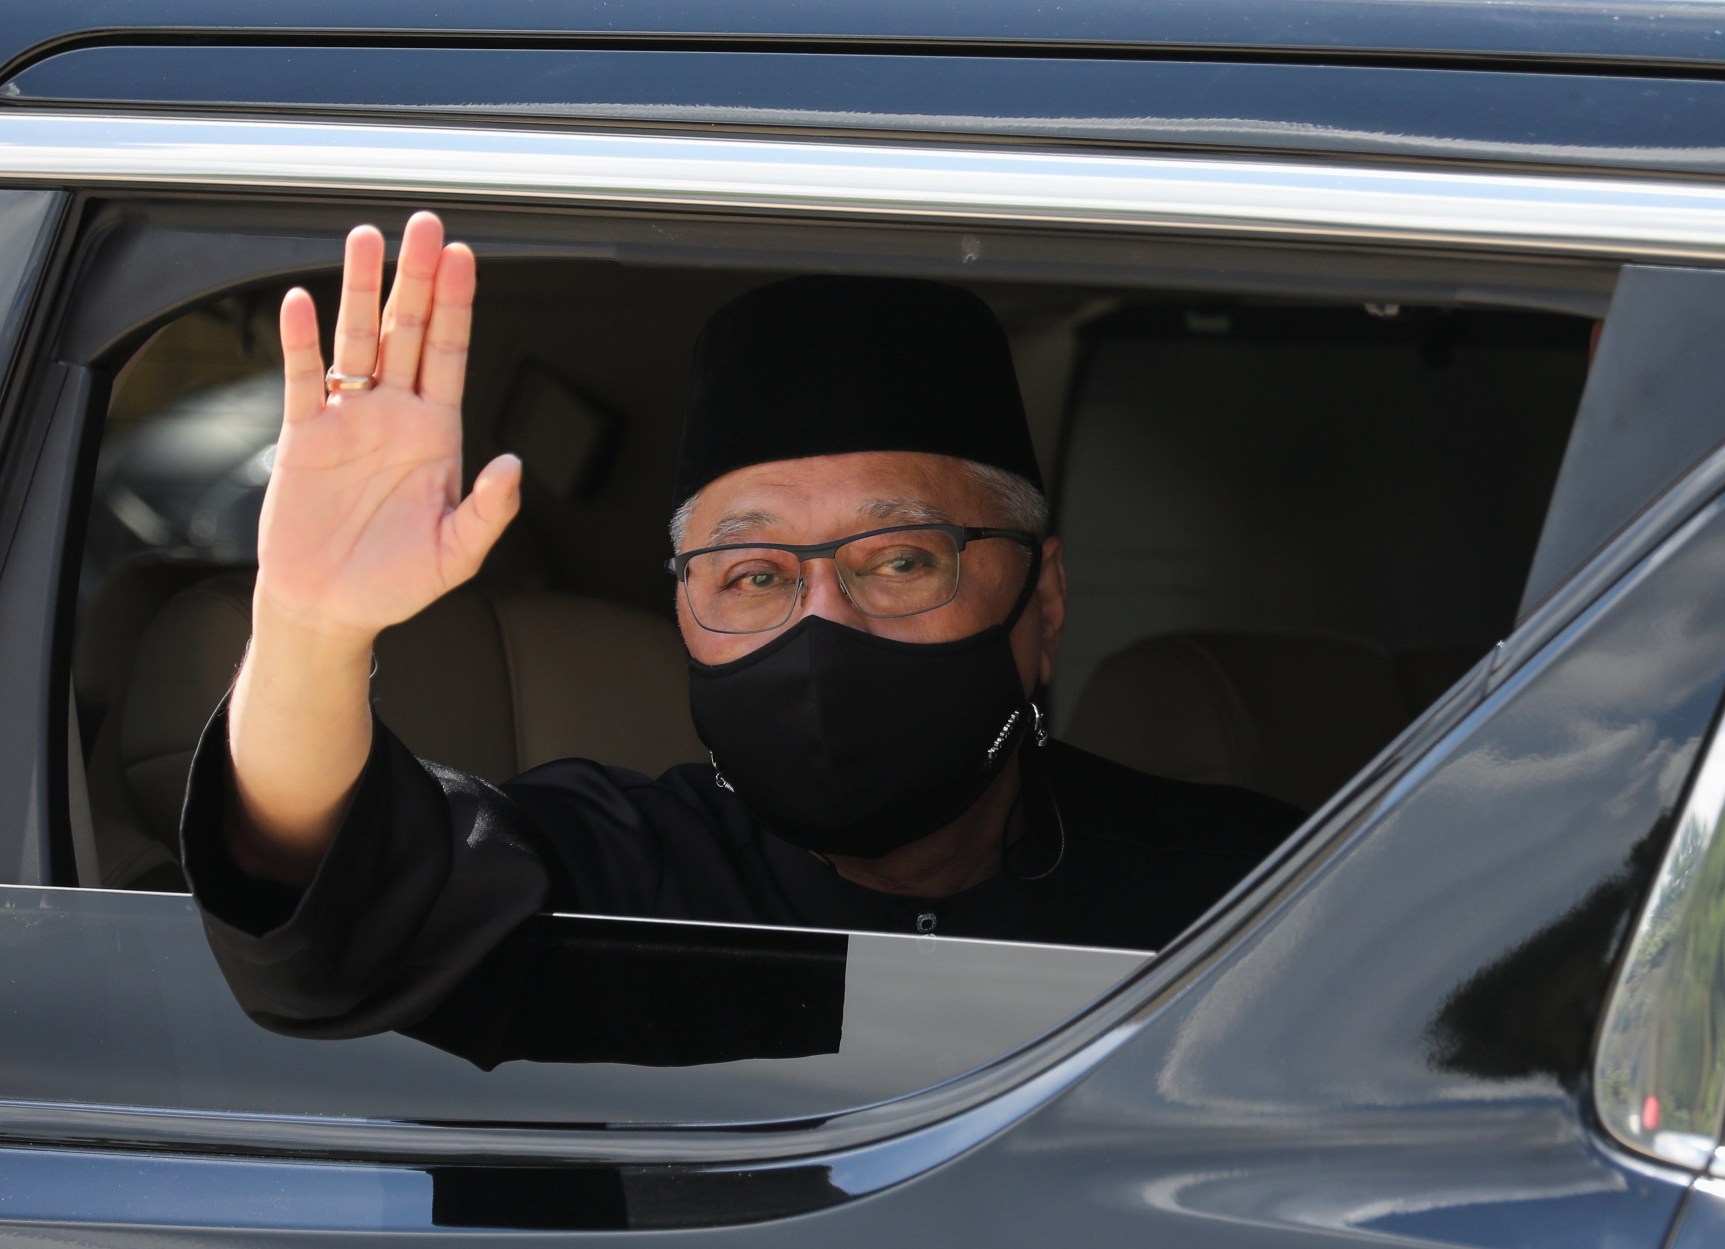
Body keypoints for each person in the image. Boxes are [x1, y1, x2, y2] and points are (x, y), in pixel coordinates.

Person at [182, 211, 1302, 1038]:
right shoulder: (611, 873)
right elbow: (323, 911)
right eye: (754, 575)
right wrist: (309, 631)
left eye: (901, 558)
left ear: (1042, 602)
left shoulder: (1250, 891)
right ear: (685, 609)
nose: (825, 622)